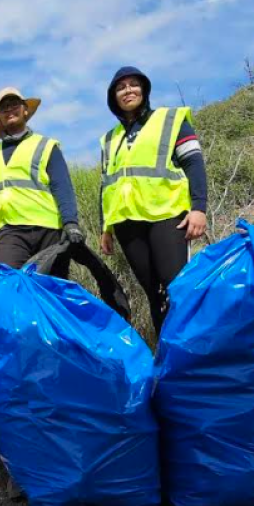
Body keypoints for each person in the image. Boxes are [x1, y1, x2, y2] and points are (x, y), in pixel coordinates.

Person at [99, 67, 208, 335]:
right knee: (153, 294)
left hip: (167, 215)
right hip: (127, 223)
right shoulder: (109, 138)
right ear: (114, 97)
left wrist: (199, 208)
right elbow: (106, 184)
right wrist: (106, 227)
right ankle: (166, 357)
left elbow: (194, 162)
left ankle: (192, 355)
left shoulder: (170, 120)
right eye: (121, 87)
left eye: (134, 84)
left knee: (176, 287)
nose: (128, 90)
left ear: (144, 90)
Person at [0, 87, 84, 277]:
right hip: (11, 233)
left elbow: (62, 187)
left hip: (49, 230)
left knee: (51, 291)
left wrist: (71, 223)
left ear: (25, 110)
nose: (10, 109)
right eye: (4, 107)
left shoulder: (46, 146)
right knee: (6, 286)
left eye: (14, 104)